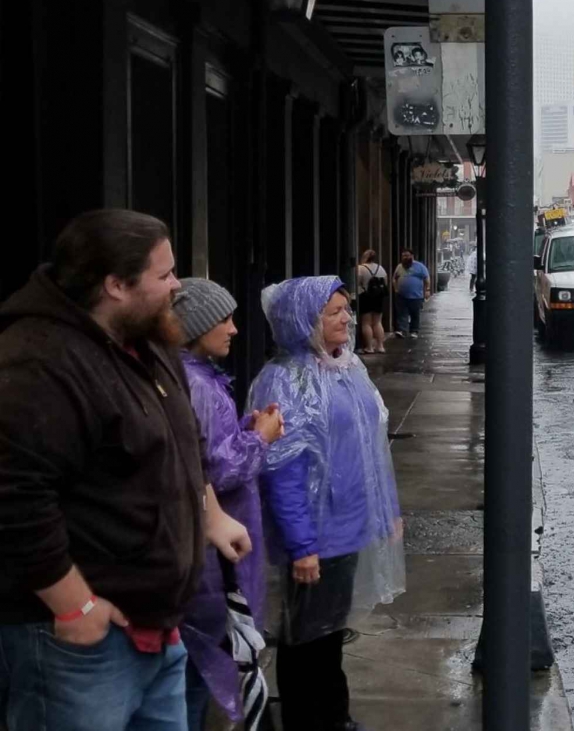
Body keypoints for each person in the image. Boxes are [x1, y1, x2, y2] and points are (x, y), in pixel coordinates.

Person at [0, 209, 252, 731]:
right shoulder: (37, 362)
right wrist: (74, 607)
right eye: (164, 275)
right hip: (82, 649)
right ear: (115, 284)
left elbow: (185, 442)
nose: (177, 285)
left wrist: (210, 515)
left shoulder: (148, 342)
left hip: (160, 629)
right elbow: (15, 495)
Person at [252, 276, 405, 731]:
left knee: (328, 634)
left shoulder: (346, 367)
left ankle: (332, 716)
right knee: (305, 641)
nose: (346, 318)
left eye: (346, 309)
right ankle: (312, 720)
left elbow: (373, 445)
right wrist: (302, 545)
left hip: (350, 528)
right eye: (334, 311)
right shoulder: (285, 379)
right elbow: (282, 470)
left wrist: (386, 509)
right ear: (304, 320)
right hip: (318, 537)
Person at [174, 278, 283, 731]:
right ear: (196, 327)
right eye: (224, 319)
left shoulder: (194, 379)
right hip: (217, 551)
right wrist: (261, 438)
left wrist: (243, 429)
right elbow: (214, 472)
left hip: (215, 542)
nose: (234, 329)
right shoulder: (198, 386)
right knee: (202, 665)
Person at [355, 249, 389, 355]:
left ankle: (369, 347)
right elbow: (385, 283)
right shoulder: (381, 268)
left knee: (366, 323)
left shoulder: (360, 268)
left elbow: (357, 283)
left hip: (366, 297)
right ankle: (380, 346)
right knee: (378, 322)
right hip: (378, 298)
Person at [391, 248, 430, 338]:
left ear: (412, 256)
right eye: (403, 256)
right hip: (401, 295)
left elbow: (426, 278)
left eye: (407, 255)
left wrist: (427, 290)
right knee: (401, 313)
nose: (405, 257)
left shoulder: (420, 266)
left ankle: (414, 331)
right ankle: (402, 330)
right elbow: (394, 278)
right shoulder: (399, 266)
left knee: (414, 314)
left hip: (416, 296)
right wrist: (396, 289)